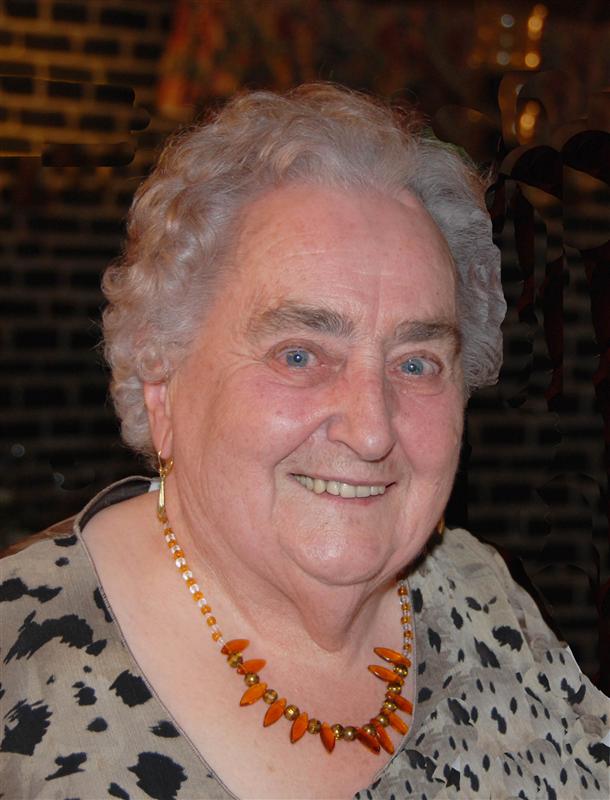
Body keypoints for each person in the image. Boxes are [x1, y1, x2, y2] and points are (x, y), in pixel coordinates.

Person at [2, 84, 608, 800]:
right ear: (161, 377)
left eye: (416, 363)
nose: (372, 429)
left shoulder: (481, 594)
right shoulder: (20, 661)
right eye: (299, 355)